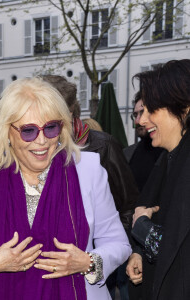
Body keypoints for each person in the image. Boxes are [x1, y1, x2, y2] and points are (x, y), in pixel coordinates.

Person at [0, 77, 131, 300]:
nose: (42, 141)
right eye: (29, 131)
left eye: (51, 128)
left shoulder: (88, 170)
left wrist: (87, 262)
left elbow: (118, 244)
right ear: (7, 132)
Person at [42, 75, 138, 300]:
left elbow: (128, 204)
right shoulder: (35, 150)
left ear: (68, 113)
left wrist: (97, 254)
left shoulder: (102, 145)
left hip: (93, 267)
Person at [126, 59, 190, 300]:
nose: (142, 121)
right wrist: (139, 253)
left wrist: (142, 228)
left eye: (152, 110)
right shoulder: (167, 160)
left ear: (183, 107)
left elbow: (176, 251)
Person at [124, 93, 163, 300]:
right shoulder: (128, 153)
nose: (139, 120)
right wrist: (134, 250)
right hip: (135, 246)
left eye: (144, 112)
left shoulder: (169, 154)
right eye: (135, 114)